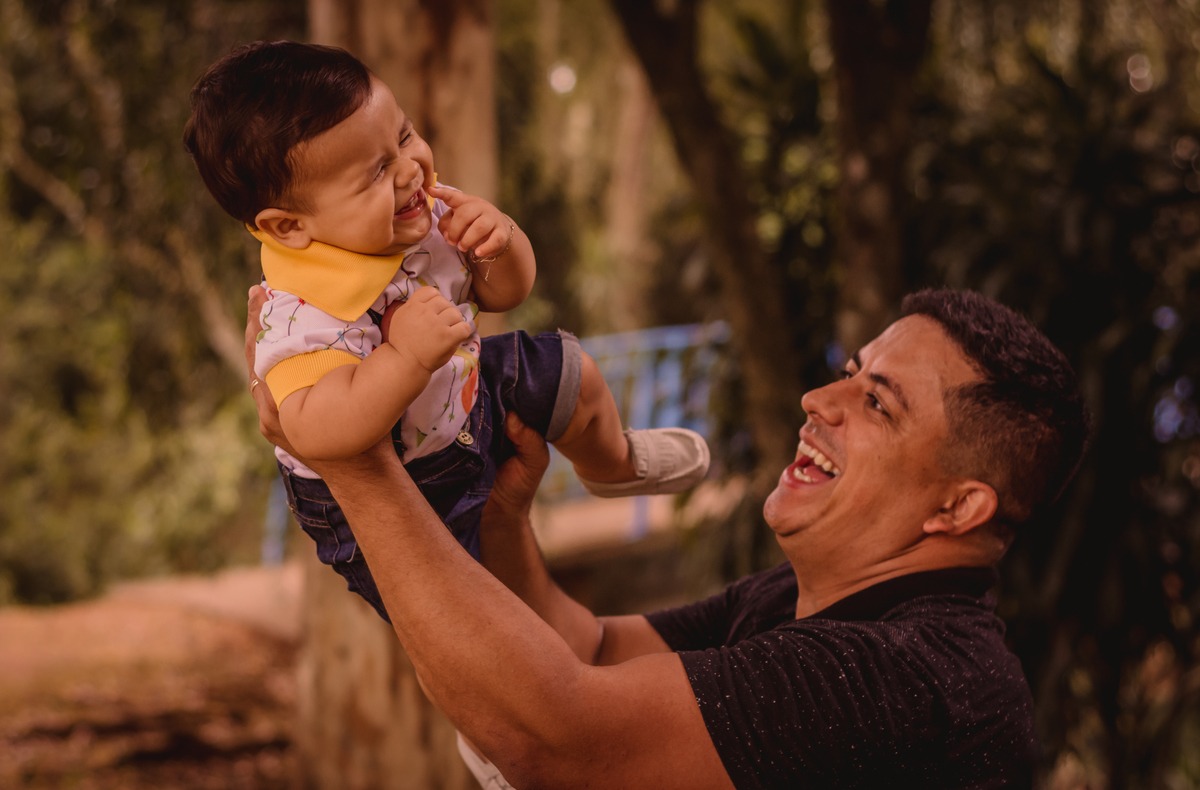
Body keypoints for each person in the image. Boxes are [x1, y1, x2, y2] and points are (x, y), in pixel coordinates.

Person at [245, 287, 1088, 788]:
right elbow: (595, 650)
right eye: (852, 371)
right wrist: (504, 520)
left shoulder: (912, 682)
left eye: (878, 403)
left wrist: (352, 467)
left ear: (958, 508)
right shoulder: (802, 605)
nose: (820, 402)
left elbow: (555, 738)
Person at [184, 41, 709, 621]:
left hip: (466, 396)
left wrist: (498, 239)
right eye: (376, 172)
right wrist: (404, 357)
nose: (410, 170)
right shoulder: (300, 314)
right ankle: (490, 685)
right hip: (399, 486)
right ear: (289, 225)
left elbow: (504, 293)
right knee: (466, 611)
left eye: (404, 137)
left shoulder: (417, 212)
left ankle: (612, 462)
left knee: (569, 372)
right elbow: (313, 429)